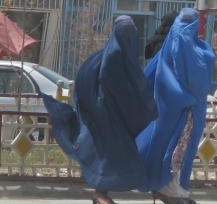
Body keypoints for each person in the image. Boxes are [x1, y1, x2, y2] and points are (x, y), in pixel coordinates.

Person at [42, 15, 157, 204]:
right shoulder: (113, 57)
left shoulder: (110, 54)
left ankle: (101, 194)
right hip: (107, 115)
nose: (129, 36)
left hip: (110, 116)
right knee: (110, 154)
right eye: (126, 32)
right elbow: (112, 83)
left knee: (106, 155)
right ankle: (101, 194)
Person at [136, 8, 215, 204]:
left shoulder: (171, 50)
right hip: (188, 115)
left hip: (175, 115)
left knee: (170, 153)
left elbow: (156, 80)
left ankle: (169, 191)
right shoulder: (204, 51)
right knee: (176, 155)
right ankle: (172, 192)